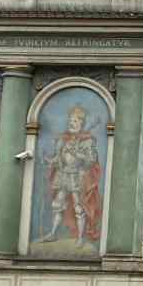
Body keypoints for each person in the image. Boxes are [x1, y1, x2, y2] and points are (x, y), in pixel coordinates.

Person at [39, 104, 103, 245]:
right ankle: (53, 233)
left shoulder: (87, 140)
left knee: (78, 206)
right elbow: (58, 158)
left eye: (74, 121)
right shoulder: (64, 140)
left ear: (81, 122)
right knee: (57, 204)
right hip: (63, 175)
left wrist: (78, 153)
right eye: (70, 121)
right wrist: (49, 160)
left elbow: (91, 160)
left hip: (77, 176)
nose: (71, 123)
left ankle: (80, 238)